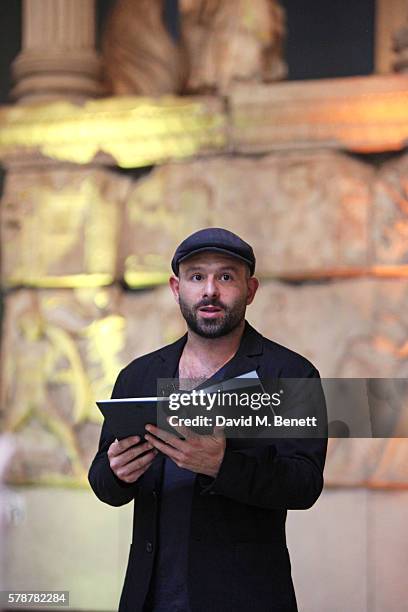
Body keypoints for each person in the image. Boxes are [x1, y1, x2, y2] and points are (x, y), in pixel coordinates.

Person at [88, 227, 327, 612]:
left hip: (245, 597)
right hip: (150, 596)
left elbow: (304, 484)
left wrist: (221, 466)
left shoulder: (290, 374)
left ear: (250, 290)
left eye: (226, 277)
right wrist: (116, 472)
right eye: (196, 276)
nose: (210, 291)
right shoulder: (139, 374)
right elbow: (103, 483)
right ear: (175, 287)